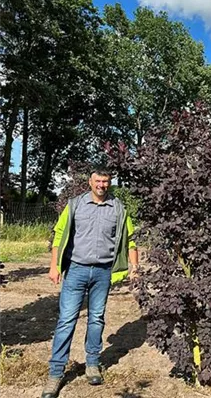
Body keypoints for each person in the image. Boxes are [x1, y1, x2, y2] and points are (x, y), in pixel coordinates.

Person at [41, 168, 139, 398]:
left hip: (103, 272)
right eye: (98, 181)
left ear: (110, 183)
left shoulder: (119, 208)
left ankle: (92, 364)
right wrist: (54, 265)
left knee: (96, 318)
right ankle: (55, 373)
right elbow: (59, 234)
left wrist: (135, 267)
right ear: (90, 182)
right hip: (76, 270)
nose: (102, 185)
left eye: (105, 181)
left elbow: (130, 239)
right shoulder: (75, 205)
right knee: (66, 320)